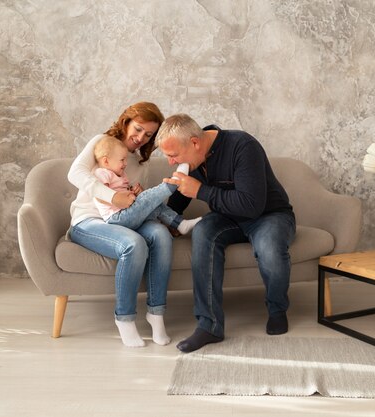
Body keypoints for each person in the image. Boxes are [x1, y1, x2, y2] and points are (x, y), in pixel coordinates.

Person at [155, 113, 296, 353]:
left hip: (269, 215)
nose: (170, 162)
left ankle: (277, 309)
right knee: (202, 232)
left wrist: (200, 191)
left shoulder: (242, 146)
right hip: (227, 217)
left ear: (195, 143)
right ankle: (209, 325)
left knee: (269, 247)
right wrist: (167, 222)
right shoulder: (193, 160)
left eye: (173, 155)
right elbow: (180, 198)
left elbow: (252, 205)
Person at [67, 102, 173, 348]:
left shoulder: (139, 162)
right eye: (137, 129)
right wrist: (111, 196)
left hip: (122, 220)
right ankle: (124, 319)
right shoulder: (100, 142)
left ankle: (156, 315)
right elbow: (75, 173)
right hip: (89, 221)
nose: (140, 138)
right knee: (133, 244)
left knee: (160, 234)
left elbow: (130, 203)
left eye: (148, 135)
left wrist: (137, 194)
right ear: (125, 122)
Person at [92, 135, 201, 234]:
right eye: (122, 160)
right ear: (106, 161)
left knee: (155, 204)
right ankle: (172, 183)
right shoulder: (102, 173)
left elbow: (123, 192)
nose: (125, 163)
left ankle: (180, 224)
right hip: (117, 218)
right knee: (147, 197)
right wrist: (119, 197)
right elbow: (100, 195)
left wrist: (133, 191)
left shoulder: (121, 174)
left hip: (128, 214)